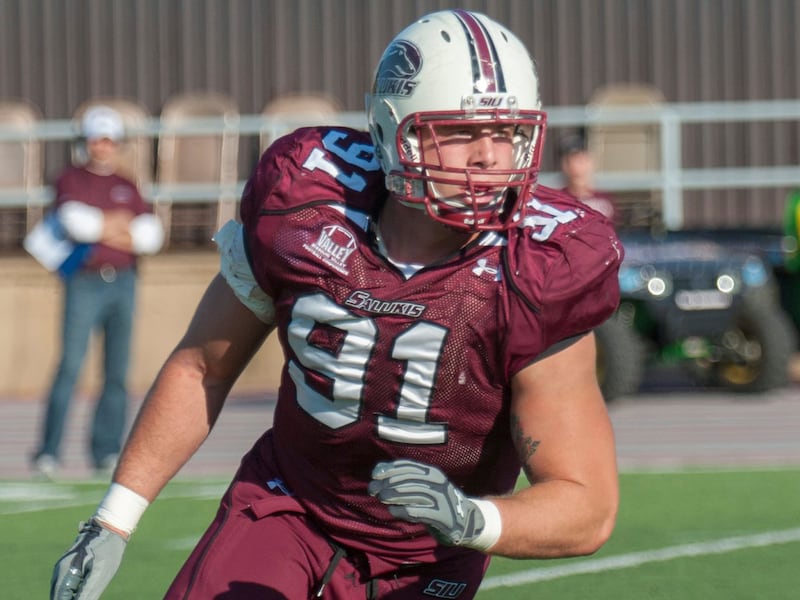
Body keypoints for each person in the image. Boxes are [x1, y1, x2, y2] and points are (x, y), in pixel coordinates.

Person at [50, 10, 622, 599]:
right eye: (459, 131)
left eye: (506, 133)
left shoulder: (538, 266)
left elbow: (587, 503)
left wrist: (471, 520)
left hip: (430, 552)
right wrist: (112, 521)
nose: (488, 157)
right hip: (290, 507)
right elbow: (204, 367)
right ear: (392, 130)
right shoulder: (304, 205)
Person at [32, 105, 164, 480]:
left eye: (109, 140)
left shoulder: (127, 184)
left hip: (123, 281)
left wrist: (102, 226)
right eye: (97, 139)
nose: (103, 147)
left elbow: (151, 237)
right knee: (70, 367)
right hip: (85, 282)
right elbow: (76, 225)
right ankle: (48, 452)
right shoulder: (71, 179)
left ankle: (105, 450)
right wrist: (120, 226)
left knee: (117, 372)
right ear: (86, 142)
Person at [558, 132, 618, 222]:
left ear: (591, 162)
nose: (577, 167)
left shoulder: (605, 201)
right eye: (571, 161)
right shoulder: (558, 200)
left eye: (582, 161)